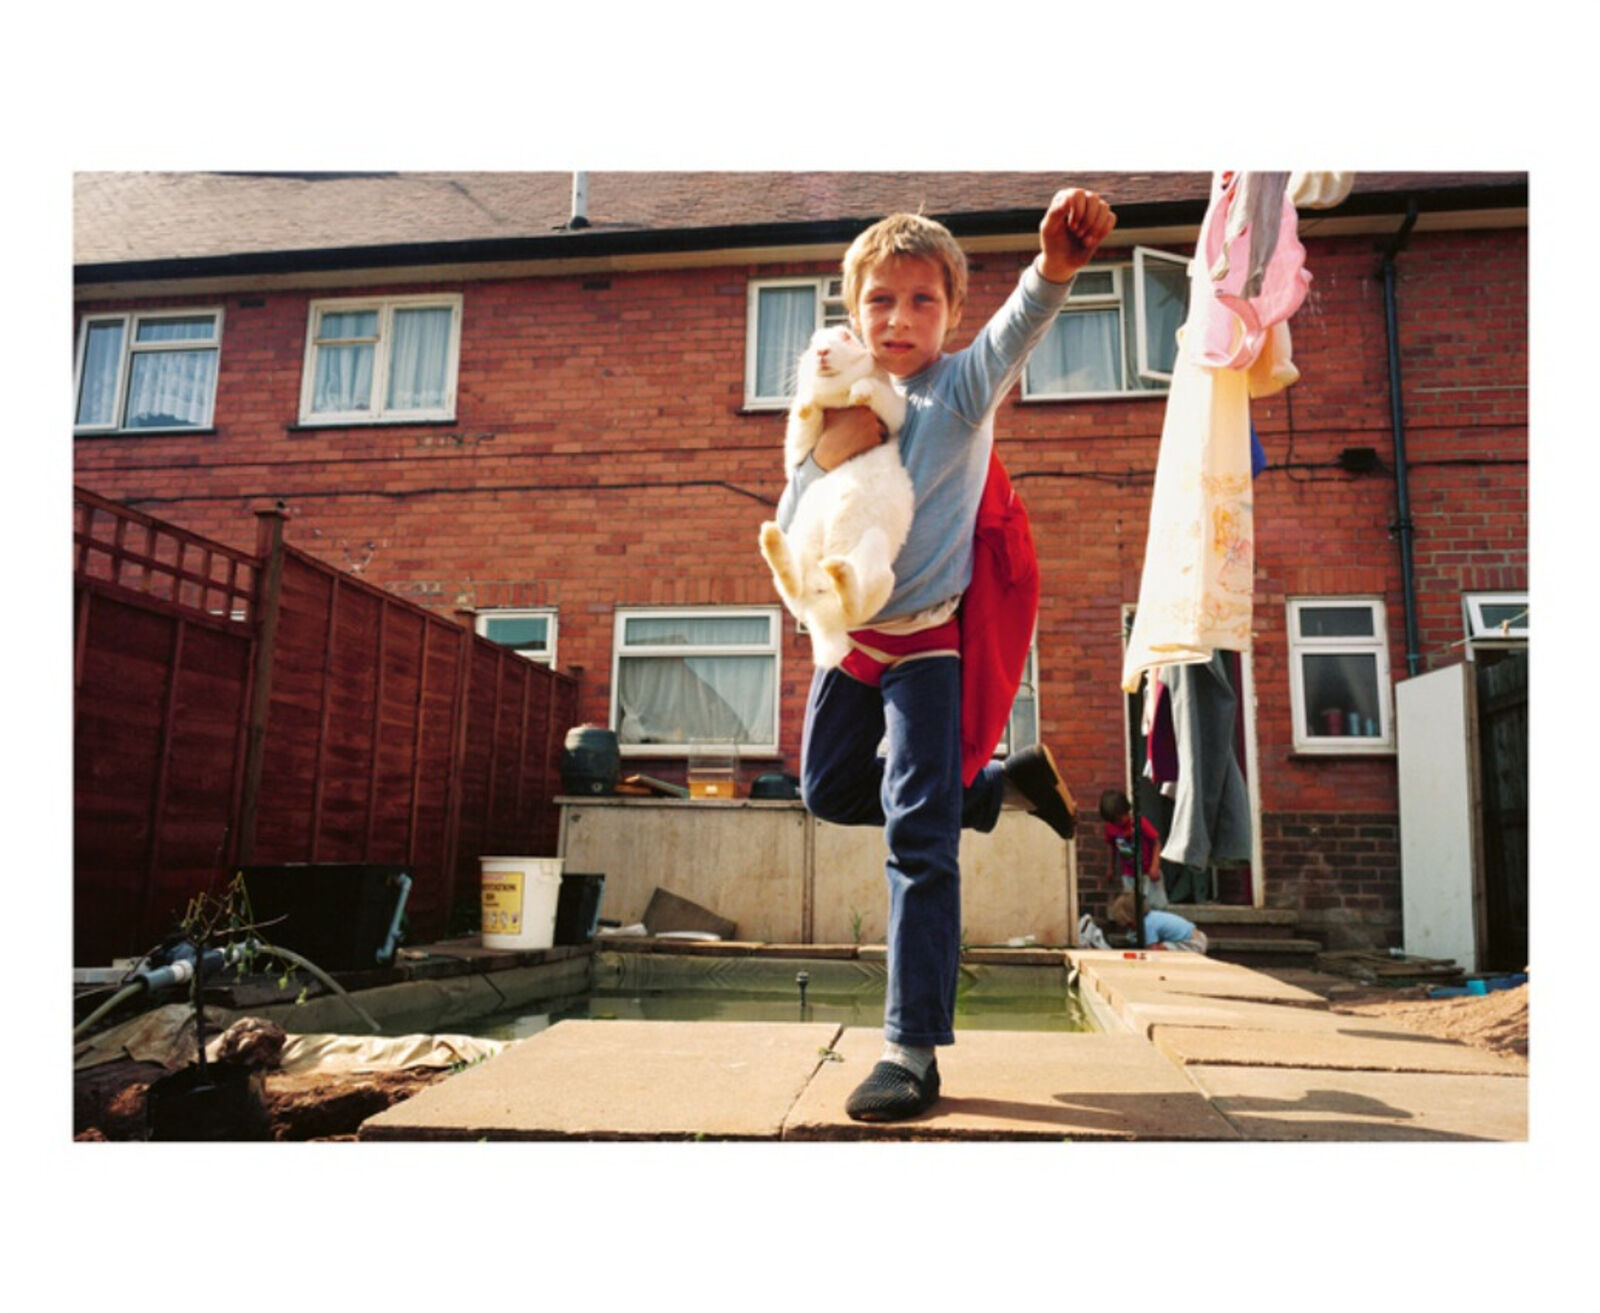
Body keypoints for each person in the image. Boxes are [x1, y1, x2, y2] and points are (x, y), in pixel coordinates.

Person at [777, 187, 1117, 1122]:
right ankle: (999, 788)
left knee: (918, 842)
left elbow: (1015, 335)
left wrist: (1053, 268)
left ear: (950, 311)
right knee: (827, 791)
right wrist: (824, 455)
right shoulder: (838, 399)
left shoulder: (958, 391)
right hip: (855, 644)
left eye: (922, 300)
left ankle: (910, 1051)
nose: (899, 318)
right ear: (855, 310)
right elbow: (796, 513)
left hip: (928, 643)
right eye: (881, 300)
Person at [1098, 787, 1169, 910]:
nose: (1119, 823)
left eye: (1120, 818)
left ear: (1126, 810)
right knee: (1132, 906)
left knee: (1156, 905)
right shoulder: (1111, 828)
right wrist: (1111, 868)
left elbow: (1156, 842)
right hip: (1129, 874)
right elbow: (1112, 847)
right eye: (1115, 821)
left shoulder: (1139, 822)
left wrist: (1155, 865)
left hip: (1147, 872)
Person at [1107, 891, 1209, 953]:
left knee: (1160, 949)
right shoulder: (1151, 917)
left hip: (1193, 943)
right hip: (1194, 937)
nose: (1130, 929)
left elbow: (1152, 949)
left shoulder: (1148, 924)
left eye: (1130, 925)